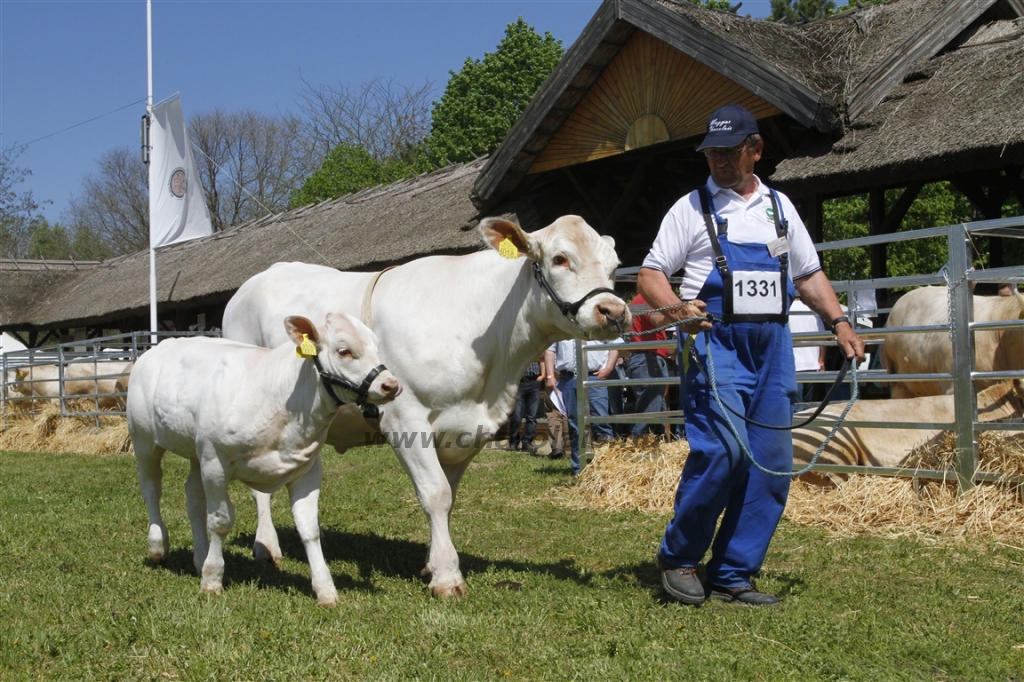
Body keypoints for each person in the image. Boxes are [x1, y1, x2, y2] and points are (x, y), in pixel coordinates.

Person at [637, 104, 865, 607]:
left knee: (770, 459)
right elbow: (651, 275)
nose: (718, 160)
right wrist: (676, 308)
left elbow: (807, 275)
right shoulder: (691, 207)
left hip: (773, 345)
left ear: (755, 150)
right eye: (711, 152)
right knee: (722, 450)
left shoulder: (779, 207)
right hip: (716, 341)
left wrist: (840, 321)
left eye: (728, 150)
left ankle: (734, 574)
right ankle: (679, 558)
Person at [544, 339, 620, 475]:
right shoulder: (562, 323)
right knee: (575, 425)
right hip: (568, 378)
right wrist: (550, 375)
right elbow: (550, 348)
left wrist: (609, 367)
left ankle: (609, 468)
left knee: (601, 421)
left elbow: (615, 343)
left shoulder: (599, 319)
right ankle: (580, 468)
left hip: (595, 377)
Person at [626, 292, 671, 438]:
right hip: (649, 359)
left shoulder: (635, 303)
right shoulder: (646, 299)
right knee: (650, 407)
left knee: (656, 406)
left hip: (643, 358)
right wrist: (679, 313)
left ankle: (654, 445)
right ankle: (637, 442)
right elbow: (657, 321)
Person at [788, 295, 827, 403]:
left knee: (796, 406)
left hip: (793, 366)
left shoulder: (785, 312)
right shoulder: (813, 312)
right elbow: (823, 338)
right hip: (813, 364)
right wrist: (821, 360)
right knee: (810, 405)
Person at [507, 358, 543, 452]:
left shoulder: (536, 347)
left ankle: (527, 442)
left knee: (532, 416)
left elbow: (542, 358)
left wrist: (543, 375)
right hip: (519, 383)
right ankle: (513, 442)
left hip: (534, 382)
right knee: (516, 415)